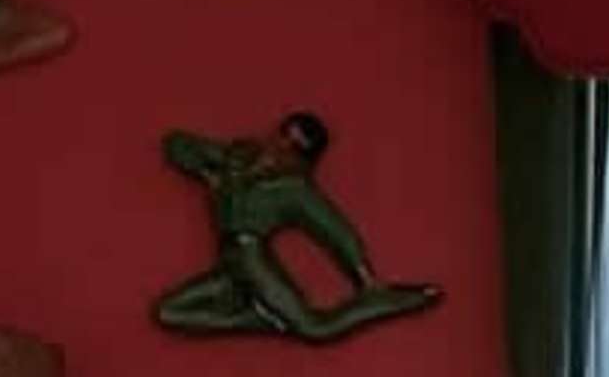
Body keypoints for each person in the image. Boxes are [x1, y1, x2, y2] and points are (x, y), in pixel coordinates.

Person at [154, 115, 440, 342]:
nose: (280, 148)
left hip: (253, 262)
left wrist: (363, 275)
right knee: (169, 312)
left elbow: (335, 229)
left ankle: (396, 300)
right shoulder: (239, 156)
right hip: (229, 266)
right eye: (282, 137)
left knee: (316, 329)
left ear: (302, 162)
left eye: (293, 148)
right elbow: (176, 144)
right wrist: (209, 174)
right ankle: (258, 318)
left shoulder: (296, 191)